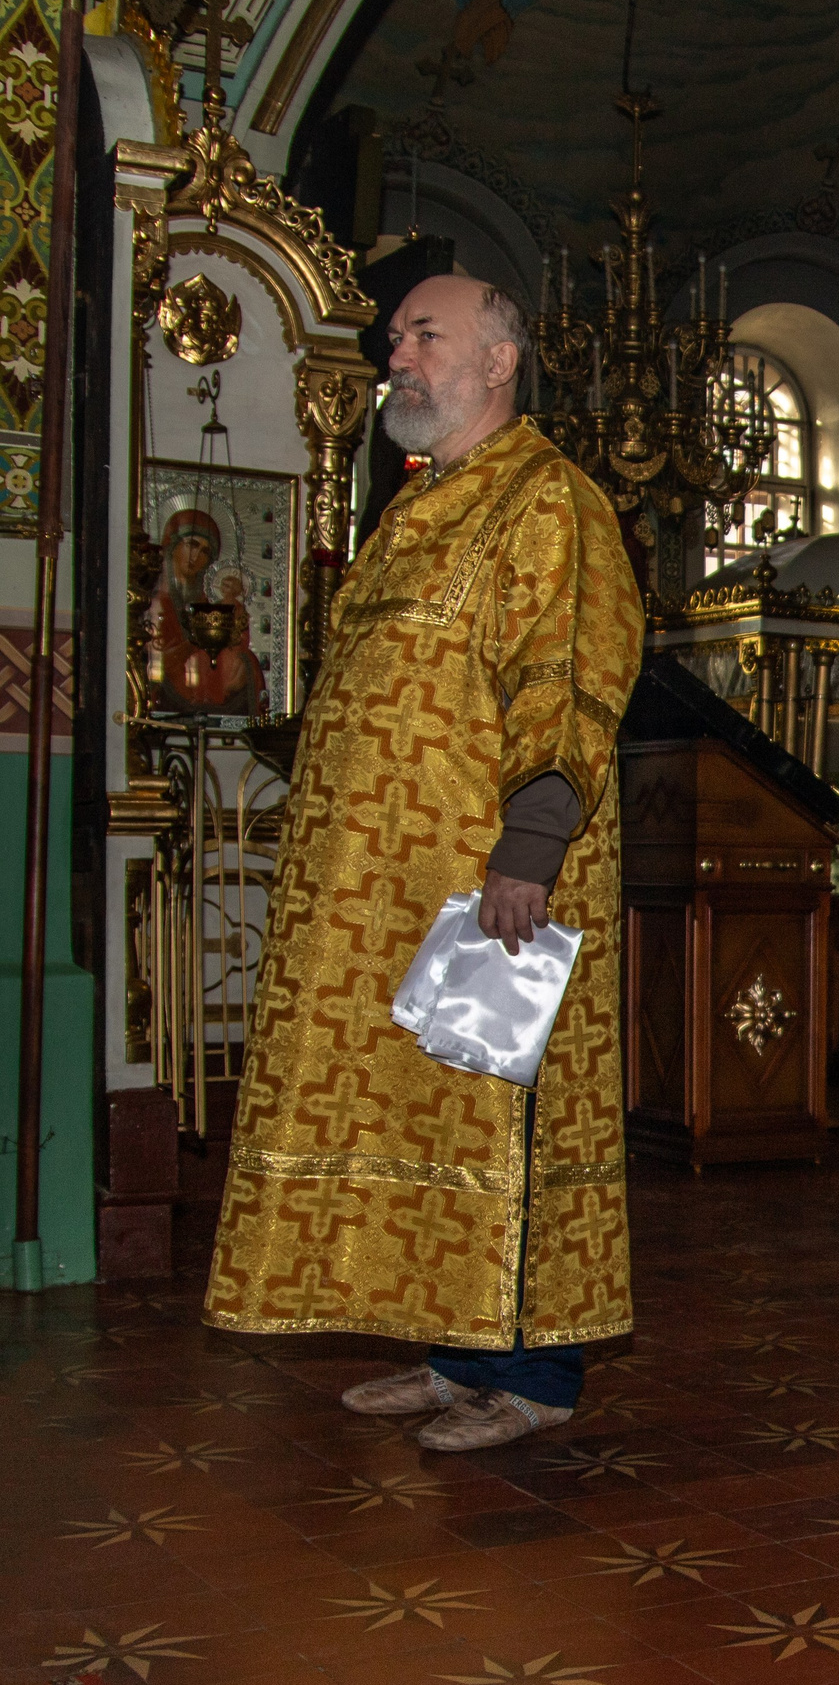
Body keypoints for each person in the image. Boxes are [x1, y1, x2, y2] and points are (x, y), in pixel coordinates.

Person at [202, 273, 642, 1451]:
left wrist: (530, 850)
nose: (396, 350)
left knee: (506, 1112)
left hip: (484, 884)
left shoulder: (553, 503)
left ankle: (536, 1383)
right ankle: (454, 1361)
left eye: (423, 334)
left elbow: (567, 680)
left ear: (498, 360)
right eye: (395, 334)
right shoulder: (421, 503)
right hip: (382, 890)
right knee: (435, 1111)